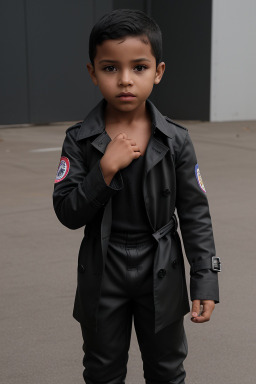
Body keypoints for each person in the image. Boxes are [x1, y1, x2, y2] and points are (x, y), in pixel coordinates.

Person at [53, 8, 221, 384]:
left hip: (161, 266)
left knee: (166, 369)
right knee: (102, 370)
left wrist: (206, 279)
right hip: (103, 267)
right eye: (110, 68)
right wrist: (104, 169)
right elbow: (67, 211)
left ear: (158, 72)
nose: (125, 80)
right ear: (93, 72)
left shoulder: (176, 140)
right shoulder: (79, 139)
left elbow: (195, 214)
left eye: (139, 67)